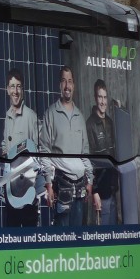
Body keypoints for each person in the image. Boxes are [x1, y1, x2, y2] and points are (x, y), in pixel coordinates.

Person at [41, 66, 95, 226]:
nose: (67, 86)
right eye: (64, 81)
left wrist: (90, 180)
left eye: (70, 81)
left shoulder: (79, 116)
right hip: (61, 186)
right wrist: (48, 185)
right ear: (59, 85)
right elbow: (44, 152)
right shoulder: (50, 113)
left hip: (80, 188)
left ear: (74, 86)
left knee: (77, 237)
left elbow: (85, 153)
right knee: (61, 238)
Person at [0, 69, 42, 226]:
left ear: (22, 90)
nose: (15, 91)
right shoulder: (7, 116)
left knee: (28, 235)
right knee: (11, 232)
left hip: (27, 188)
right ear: (7, 89)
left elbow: (40, 150)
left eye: (18, 86)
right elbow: (7, 144)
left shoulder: (31, 116)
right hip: (10, 188)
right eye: (12, 87)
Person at [86, 79, 119, 225]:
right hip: (101, 191)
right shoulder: (90, 124)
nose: (103, 102)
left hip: (112, 188)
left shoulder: (111, 122)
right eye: (100, 97)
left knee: (114, 233)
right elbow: (90, 161)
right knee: (104, 235)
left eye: (105, 97)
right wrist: (95, 191)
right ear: (95, 98)